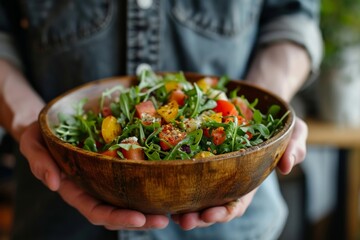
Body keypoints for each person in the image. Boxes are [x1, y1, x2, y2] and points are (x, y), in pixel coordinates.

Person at [0, 0, 322, 239]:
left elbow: (293, 19)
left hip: (234, 221)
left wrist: (259, 114)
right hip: (59, 213)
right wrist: (27, 118)